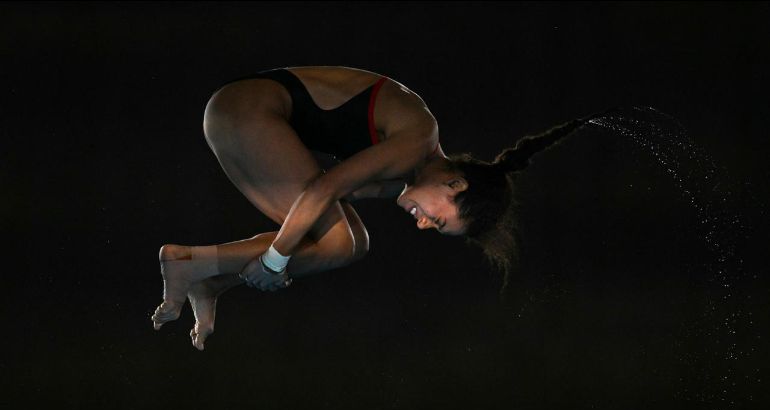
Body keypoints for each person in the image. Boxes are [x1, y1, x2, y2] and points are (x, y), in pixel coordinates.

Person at [152, 66, 598, 350]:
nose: (422, 225)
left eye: (432, 228)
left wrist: (276, 258)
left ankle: (208, 283)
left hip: (239, 115)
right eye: (437, 218)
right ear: (455, 183)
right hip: (247, 111)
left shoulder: (402, 173)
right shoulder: (416, 140)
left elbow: (316, 208)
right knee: (345, 241)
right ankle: (187, 262)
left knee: (332, 239)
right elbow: (322, 190)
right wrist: (274, 259)